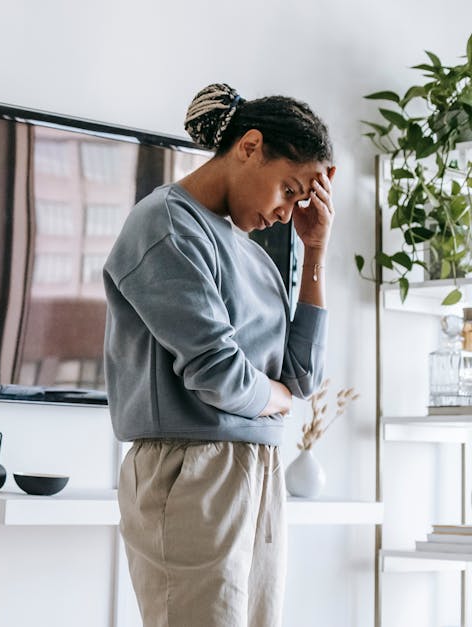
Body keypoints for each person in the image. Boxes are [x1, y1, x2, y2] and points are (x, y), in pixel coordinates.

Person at [103, 83, 334, 627]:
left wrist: (316, 250)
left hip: (258, 468)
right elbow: (218, 374)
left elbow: (303, 375)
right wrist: (273, 396)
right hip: (193, 472)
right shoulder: (165, 225)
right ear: (249, 146)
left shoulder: (253, 254)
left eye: (300, 200)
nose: (287, 211)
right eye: (288, 189)